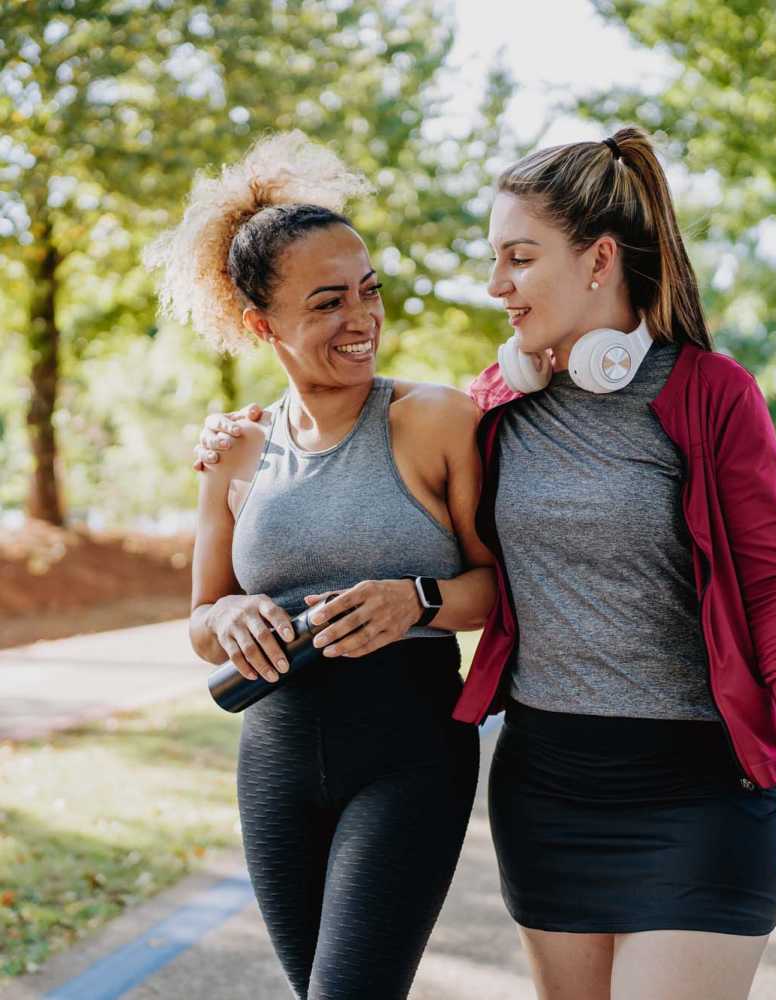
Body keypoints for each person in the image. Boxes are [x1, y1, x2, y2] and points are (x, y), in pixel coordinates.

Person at [196, 126, 776, 1000]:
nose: (495, 284)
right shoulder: (498, 405)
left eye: (518, 258)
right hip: (550, 789)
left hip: (704, 788)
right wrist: (234, 459)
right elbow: (342, 492)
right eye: (494, 258)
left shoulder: (709, 394)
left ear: (598, 260)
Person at [147, 130, 495, 1000]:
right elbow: (200, 619)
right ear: (263, 326)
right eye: (330, 302)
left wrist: (415, 601)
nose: (363, 320)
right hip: (273, 762)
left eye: (369, 291)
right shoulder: (235, 451)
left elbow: (500, 587)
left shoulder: (436, 422)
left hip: (411, 756)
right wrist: (227, 619)